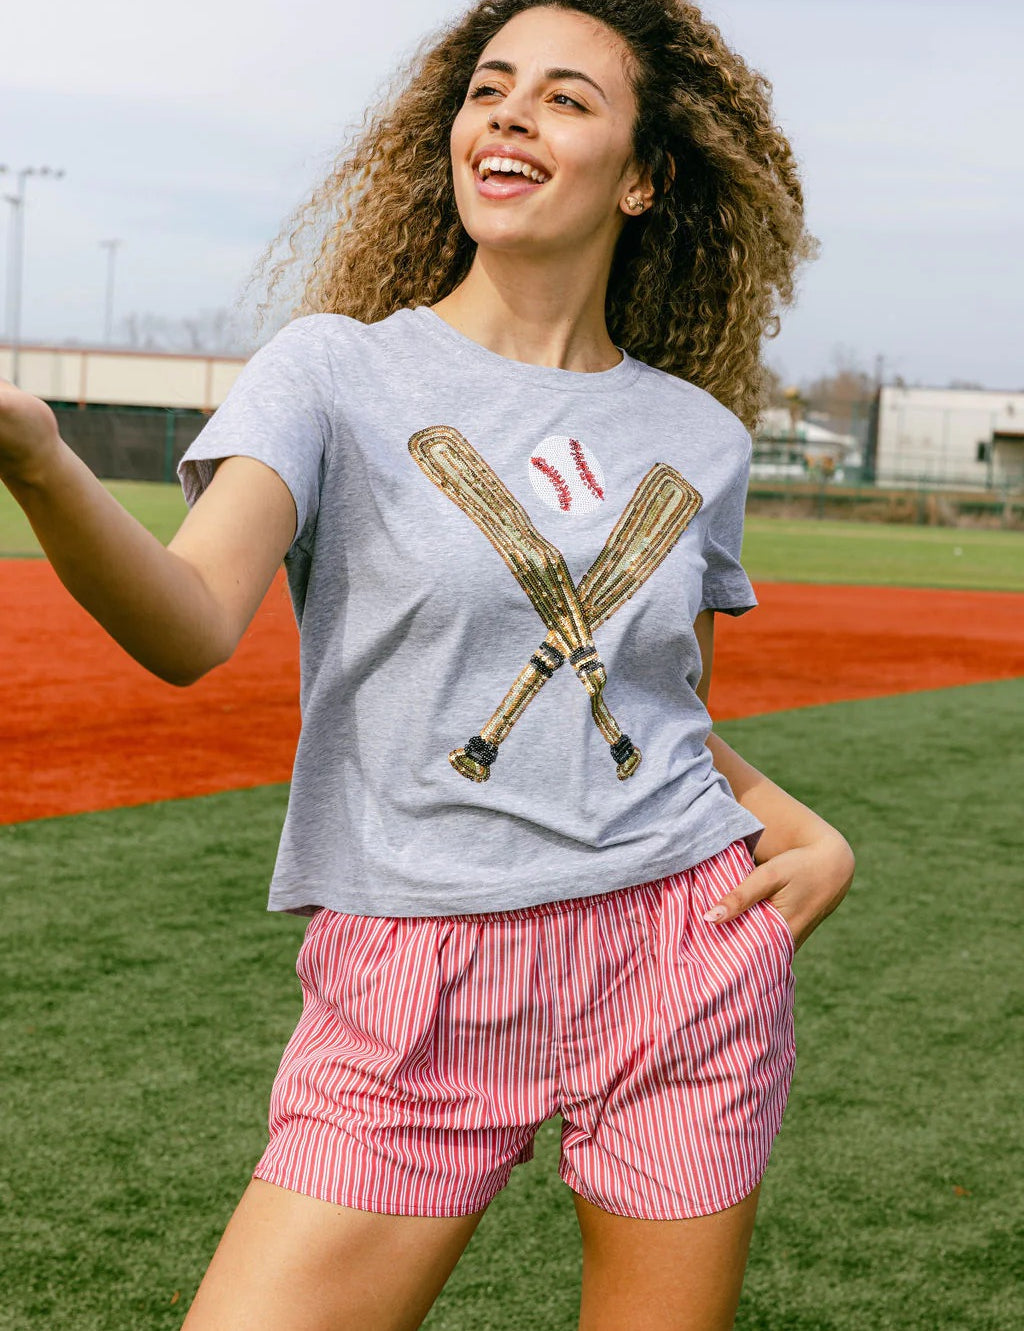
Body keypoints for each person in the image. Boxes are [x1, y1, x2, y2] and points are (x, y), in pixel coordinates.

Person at [0, 2, 855, 1327]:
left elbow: (649, 702)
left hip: (682, 956)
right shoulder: (334, 372)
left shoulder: (698, 436)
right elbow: (185, 622)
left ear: (644, 177)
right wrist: (37, 461)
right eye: (489, 89)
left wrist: (790, 817)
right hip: (416, 969)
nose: (509, 114)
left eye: (566, 99)